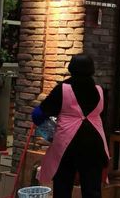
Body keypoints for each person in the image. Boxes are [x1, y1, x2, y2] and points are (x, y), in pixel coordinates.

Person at [32, 54, 109, 198]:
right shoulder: (100, 90)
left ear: (71, 68)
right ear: (92, 69)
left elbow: (38, 115)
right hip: (95, 144)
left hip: (67, 145)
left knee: (63, 187)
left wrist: (46, 127)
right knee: (92, 190)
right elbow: (102, 117)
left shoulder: (63, 89)